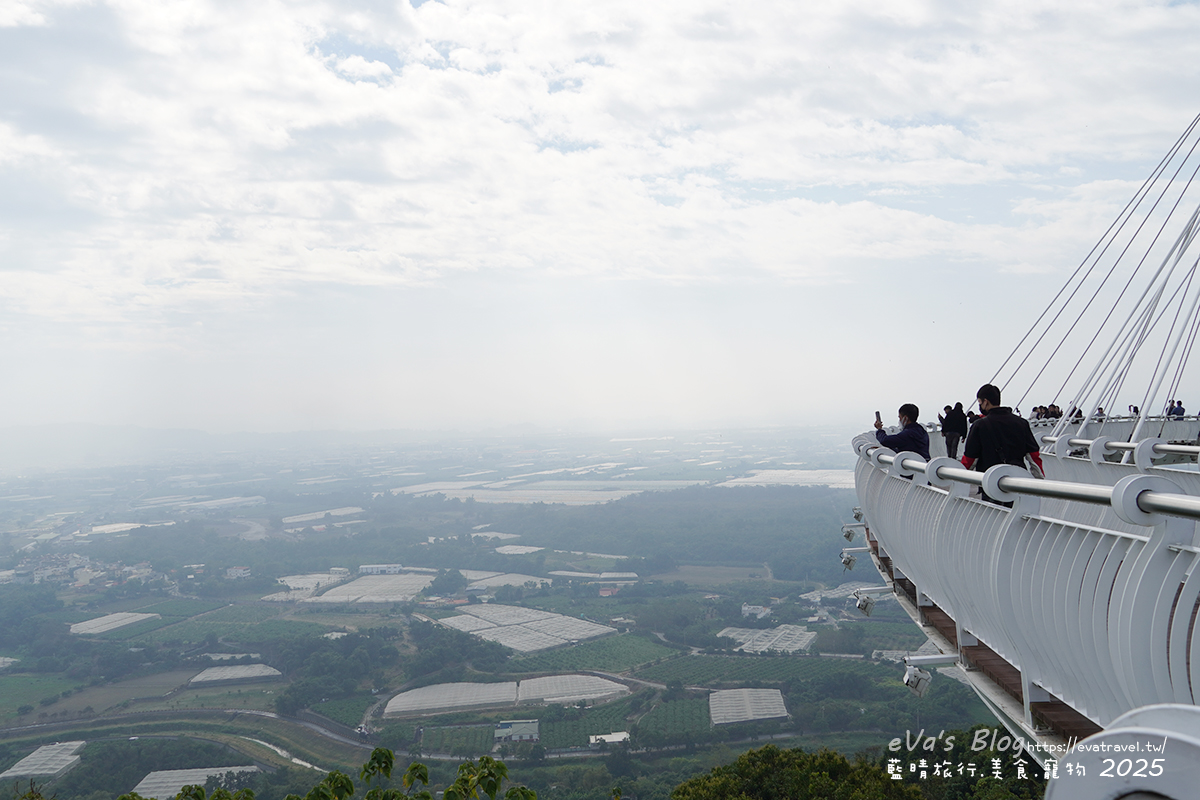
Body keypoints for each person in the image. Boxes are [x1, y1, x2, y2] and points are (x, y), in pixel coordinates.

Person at [962, 384, 1044, 505]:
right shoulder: (1021, 423)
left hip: (991, 483)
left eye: (979, 402)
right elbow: (1033, 455)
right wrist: (1039, 482)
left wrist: (957, 476)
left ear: (985, 402)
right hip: (1017, 481)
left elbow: (970, 459)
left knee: (994, 519)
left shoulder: (979, 426)